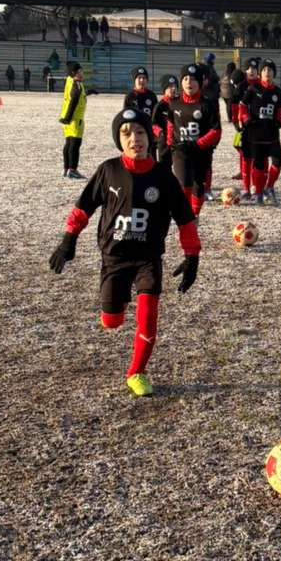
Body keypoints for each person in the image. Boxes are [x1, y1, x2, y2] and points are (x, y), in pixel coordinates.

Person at [48, 107, 201, 398]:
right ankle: (113, 307)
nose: (135, 139)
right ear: (119, 140)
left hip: (148, 258)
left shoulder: (163, 177)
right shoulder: (108, 170)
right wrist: (69, 240)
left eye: (140, 132)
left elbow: (184, 219)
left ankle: (137, 372)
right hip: (114, 257)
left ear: (150, 137)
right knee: (112, 321)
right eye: (126, 133)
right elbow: (83, 209)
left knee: (148, 313)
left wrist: (192, 255)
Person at [163, 63, 223, 217]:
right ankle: (185, 219)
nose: (189, 82)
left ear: (200, 82)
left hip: (201, 152)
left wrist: (198, 144)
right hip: (180, 150)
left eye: (193, 79)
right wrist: (170, 142)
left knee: (198, 187)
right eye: (185, 79)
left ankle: (194, 216)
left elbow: (216, 131)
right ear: (181, 82)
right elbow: (170, 123)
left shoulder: (207, 105)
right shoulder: (174, 102)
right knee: (184, 183)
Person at [238, 58, 281, 204]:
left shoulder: (279, 92)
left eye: (269, 70)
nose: (266, 73)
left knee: (277, 161)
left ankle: (269, 187)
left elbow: (279, 110)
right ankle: (258, 193)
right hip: (256, 134)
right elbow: (242, 106)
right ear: (260, 73)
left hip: (272, 134)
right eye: (264, 70)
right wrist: (245, 118)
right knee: (258, 164)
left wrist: (279, 120)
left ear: (274, 73)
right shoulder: (253, 89)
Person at [59, 61, 99, 179]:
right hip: (75, 118)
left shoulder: (71, 81)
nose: (82, 74)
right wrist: (68, 118)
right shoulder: (76, 85)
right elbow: (73, 101)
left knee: (68, 143)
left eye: (81, 71)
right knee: (75, 144)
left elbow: (77, 96)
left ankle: (66, 169)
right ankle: (73, 169)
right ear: (73, 73)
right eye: (79, 72)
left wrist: (88, 93)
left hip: (66, 116)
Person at [232, 57, 261, 190]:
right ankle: (245, 183)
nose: (251, 71)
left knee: (258, 155)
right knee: (243, 151)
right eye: (249, 68)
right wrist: (235, 121)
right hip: (244, 125)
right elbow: (234, 103)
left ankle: (256, 181)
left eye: (254, 68)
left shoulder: (262, 85)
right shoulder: (242, 85)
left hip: (258, 126)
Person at [151, 74, 180, 166]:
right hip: (163, 140)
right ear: (164, 89)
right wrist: (160, 132)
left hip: (177, 139)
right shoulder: (160, 105)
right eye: (170, 86)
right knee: (164, 164)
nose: (173, 89)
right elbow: (153, 123)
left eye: (175, 86)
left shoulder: (179, 104)